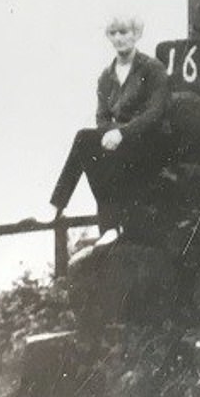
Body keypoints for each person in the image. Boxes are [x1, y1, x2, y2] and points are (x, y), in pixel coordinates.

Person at [50, 14, 170, 245]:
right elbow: (102, 117)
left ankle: (109, 224)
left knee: (104, 154)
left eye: (124, 32)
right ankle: (59, 205)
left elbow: (155, 113)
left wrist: (121, 133)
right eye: (113, 33)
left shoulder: (152, 68)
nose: (118, 38)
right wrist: (110, 132)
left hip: (149, 140)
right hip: (120, 141)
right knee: (84, 139)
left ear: (136, 34)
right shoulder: (106, 76)